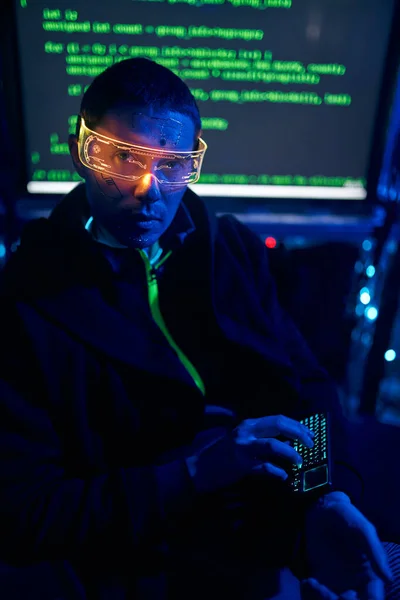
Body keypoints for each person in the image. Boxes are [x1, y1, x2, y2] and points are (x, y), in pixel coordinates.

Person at [0, 57, 396, 600]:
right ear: (79, 151)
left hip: (280, 513)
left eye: (172, 165)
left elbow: (307, 386)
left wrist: (322, 497)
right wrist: (194, 474)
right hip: (148, 555)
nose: (148, 189)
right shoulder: (26, 303)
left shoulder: (229, 249)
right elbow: (24, 512)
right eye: (122, 157)